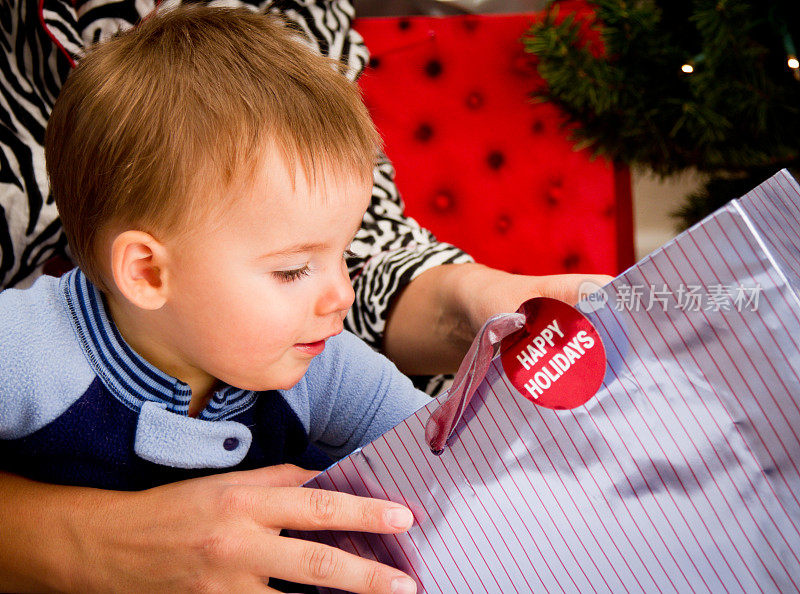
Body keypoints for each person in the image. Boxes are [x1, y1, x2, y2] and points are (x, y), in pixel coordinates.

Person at [0, 0, 612, 592]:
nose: (340, 294)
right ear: (148, 273)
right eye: (293, 270)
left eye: (341, 254)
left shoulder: (324, 366)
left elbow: (446, 454)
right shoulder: (27, 350)